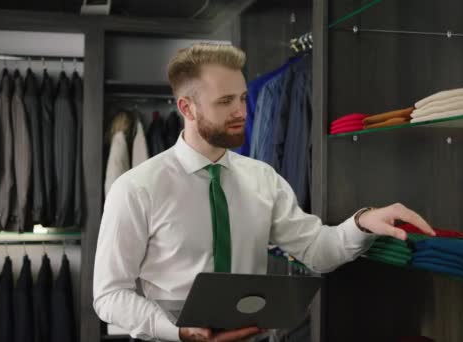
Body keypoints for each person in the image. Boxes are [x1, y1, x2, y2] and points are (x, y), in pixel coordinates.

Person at [93, 43, 434, 342]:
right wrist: (177, 332)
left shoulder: (263, 179)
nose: (242, 112)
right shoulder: (136, 189)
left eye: (242, 98)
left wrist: (362, 222)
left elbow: (316, 250)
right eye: (225, 101)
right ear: (187, 108)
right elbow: (109, 295)